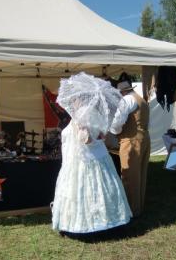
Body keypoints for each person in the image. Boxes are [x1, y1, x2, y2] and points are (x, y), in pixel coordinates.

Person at [52, 72, 131, 234]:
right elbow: (102, 135)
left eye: (74, 98)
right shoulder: (95, 113)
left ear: (80, 98)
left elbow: (86, 140)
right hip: (97, 156)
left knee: (86, 189)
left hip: (84, 159)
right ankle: (108, 221)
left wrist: (82, 129)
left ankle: (91, 224)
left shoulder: (81, 115)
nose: (72, 102)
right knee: (101, 188)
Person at [110, 81, 150, 217]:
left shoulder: (127, 100)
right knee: (140, 174)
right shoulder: (141, 100)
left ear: (122, 92)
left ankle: (131, 211)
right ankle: (139, 206)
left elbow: (116, 123)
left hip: (131, 141)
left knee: (129, 176)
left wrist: (114, 132)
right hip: (144, 138)